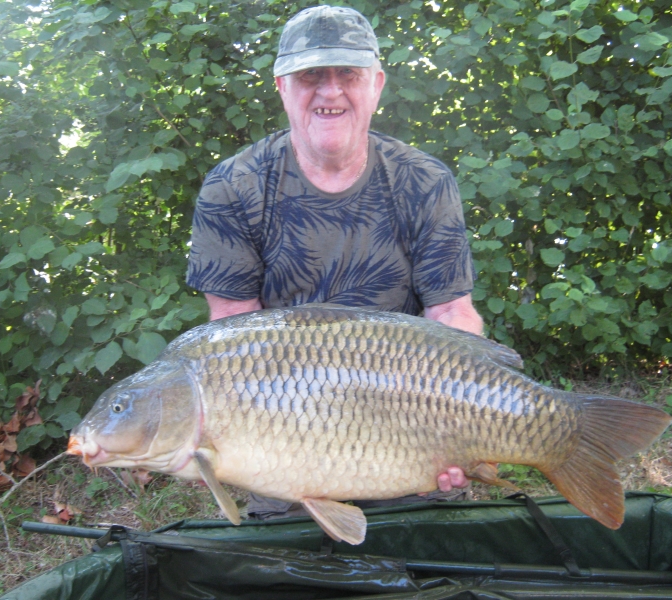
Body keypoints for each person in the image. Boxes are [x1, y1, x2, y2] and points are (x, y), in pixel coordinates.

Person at [186, 6, 480, 517]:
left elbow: (452, 315)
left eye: (349, 74)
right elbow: (233, 331)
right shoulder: (232, 186)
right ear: (282, 86)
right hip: (284, 433)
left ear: (377, 85)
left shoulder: (425, 181)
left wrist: (464, 424)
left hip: (409, 417)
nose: (330, 91)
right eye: (310, 76)